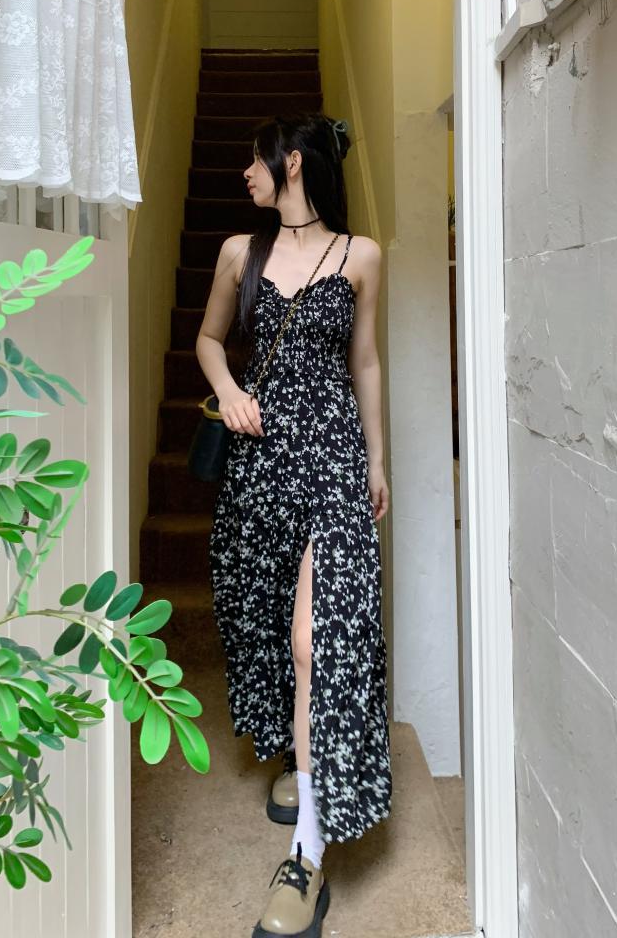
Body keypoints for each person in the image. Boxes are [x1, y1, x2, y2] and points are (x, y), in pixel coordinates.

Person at [195, 111, 392, 938]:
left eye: (259, 158)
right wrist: (230, 390)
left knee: (316, 639)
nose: (248, 171)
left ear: (295, 164)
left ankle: (307, 853)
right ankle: (295, 759)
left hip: (335, 459)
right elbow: (209, 340)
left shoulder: (361, 256)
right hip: (262, 461)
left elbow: (365, 361)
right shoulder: (239, 254)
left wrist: (377, 461)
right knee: (270, 621)